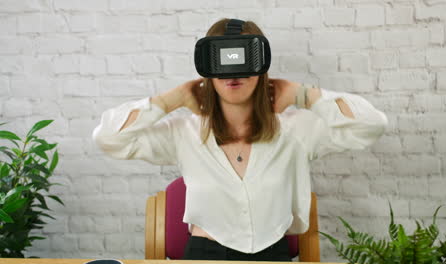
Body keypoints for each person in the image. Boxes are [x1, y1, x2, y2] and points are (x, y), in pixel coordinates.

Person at [92, 18, 388, 261]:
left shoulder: (295, 131)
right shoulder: (184, 133)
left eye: (243, 56)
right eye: (222, 58)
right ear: (208, 67)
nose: (233, 71)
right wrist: (173, 99)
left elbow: (370, 125)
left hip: (273, 254)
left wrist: (303, 95)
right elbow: (109, 139)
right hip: (204, 254)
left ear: (260, 65)